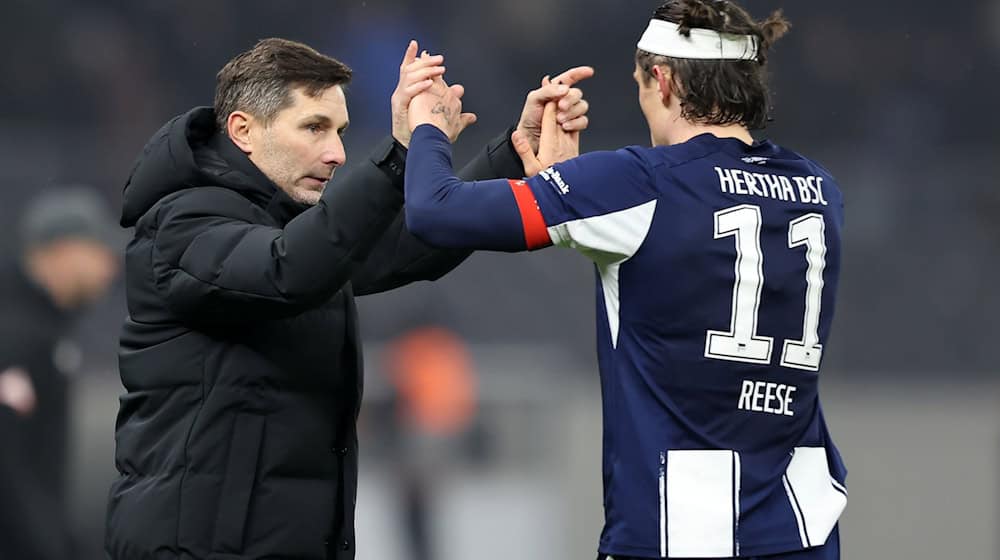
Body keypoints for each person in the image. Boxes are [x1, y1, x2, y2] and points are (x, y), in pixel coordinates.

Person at [104, 37, 593, 560]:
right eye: (314, 127)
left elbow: (407, 247)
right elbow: (286, 268)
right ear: (243, 130)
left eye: (339, 131)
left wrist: (510, 156)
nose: (336, 151)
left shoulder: (289, 224)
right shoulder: (183, 222)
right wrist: (398, 155)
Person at [403, 1, 847, 558]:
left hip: (676, 533)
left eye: (640, 82)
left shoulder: (637, 182)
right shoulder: (821, 191)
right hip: (801, 528)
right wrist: (571, 193)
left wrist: (426, 126)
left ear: (662, 80)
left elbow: (432, 210)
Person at [0, 186, 120, 560]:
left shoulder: (46, 328)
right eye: (99, 251)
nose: (110, 267)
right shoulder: (15, 332)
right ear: (63, 250)